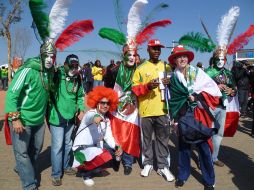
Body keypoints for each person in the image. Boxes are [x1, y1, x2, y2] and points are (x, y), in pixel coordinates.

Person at [4, 39, 56, 190]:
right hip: (22, 120)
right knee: (22, 153)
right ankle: (29, 185)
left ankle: (21, 168)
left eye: (52, 56)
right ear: (41, 55)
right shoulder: (27, 69)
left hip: (38, 121)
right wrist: (15, 119)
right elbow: (12, 94)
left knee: (35, 151)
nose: (49, 59)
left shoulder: (50, 72)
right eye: (47, 55)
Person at [168, 45, 221, 190]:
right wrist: (175, 119)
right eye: (179, 57)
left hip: (199, 114)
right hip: (183, 115)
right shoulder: (173, 78)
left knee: (203, 147)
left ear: (188, 58)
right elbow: (173, 100)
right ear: (175, 60)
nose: (182, 59)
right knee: (184, 147)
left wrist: (197, 96)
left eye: (184, 56)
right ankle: (182, 176)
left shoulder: (198, 73)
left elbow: (213, 91)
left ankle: (209, 180)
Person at [132, 39, 174, 182]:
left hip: (163, 110)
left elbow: (174, 86)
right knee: (147, 140)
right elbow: (135, 90)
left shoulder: (166, 67)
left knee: (163, 140)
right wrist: (148, 86)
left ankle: (163, 166)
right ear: (148, 49)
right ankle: (148, 163)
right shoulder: (141, 68)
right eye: (154, 48)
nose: (157, 51)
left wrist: (171, 83)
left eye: (159, 48)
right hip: (146, 111)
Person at [48, 54, 85, 186]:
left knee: (68, 144)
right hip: (57, 116)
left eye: (76, 66)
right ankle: (56, 174)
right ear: (65, 64)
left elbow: (80, 96)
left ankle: (66, 166)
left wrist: (81, 109)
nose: (74, 68)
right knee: (57, 147)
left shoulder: (78, 78)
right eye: (71, 66)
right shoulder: (57, 75)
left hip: (71, 117)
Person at [72, 86, 121, 186]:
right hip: (81, 148)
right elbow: (91, 117)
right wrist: (96, 117)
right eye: (102, 103)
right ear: (97, 103)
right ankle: (85, 174)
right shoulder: (90, 113)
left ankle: (93, 168)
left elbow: (109, 137)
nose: (105, 105)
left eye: (107, 103)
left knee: (113, 151)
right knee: (98, 154)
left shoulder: (106, 120)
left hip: (94, 147)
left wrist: (117, 147)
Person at [205, 47, 236, 167]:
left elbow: (234, 90)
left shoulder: (228, 73)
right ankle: (205, 158)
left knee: (219, 133)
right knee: (206, 133)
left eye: (223, 59)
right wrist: (215, 88)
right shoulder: (207, 73)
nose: (220, 61)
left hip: (223, 107)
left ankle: (214, 157)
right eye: (218, 58)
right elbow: (200, 89)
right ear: (214, 59)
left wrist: (231, 91)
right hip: (209, 107)